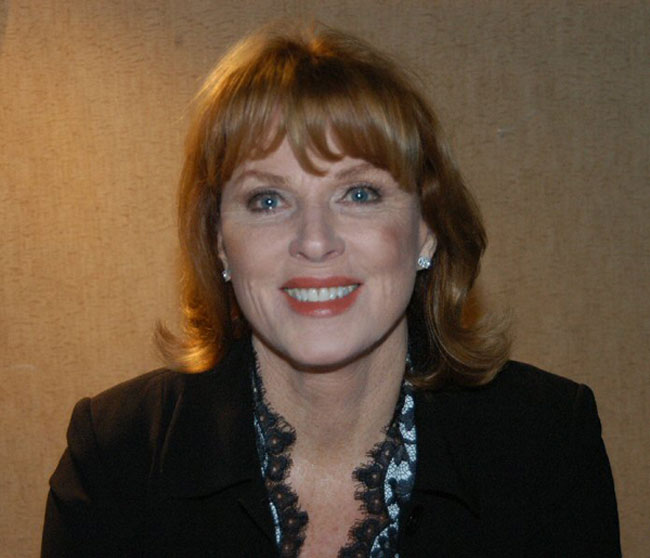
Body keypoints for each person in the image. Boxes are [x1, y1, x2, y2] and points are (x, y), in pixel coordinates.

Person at [42, 23, 620, 557]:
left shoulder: (548, 442)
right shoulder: (115, 455)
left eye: (359, 194)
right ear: (219, 241)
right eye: (268, 200)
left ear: (426, 227)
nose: (315, 242)